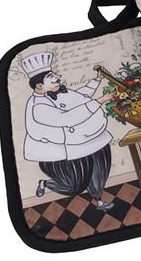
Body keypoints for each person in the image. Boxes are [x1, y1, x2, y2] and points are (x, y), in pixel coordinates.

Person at [21, 51, 115, 210]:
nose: (57, 77)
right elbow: (69, 118)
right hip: (66, 148)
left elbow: (79, 97)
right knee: (75, 186)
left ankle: (99, 201)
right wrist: (100, 101)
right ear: (39, 86)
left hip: (90, 137)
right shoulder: (38, 106)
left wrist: (97, 80)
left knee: (100, 170)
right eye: (51, 76)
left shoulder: (55, 90)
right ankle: (46, 183)